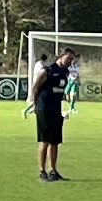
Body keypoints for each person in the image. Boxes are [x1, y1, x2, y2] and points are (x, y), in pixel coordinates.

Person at [31, 45, 73, 181]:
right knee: (45, 141)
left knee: (55, 141)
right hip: (44, 109)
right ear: (61, 56)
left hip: (56, 109)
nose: (70, 62)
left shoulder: (65, 72)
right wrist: (35, 104)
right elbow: (35, 86)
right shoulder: (48, 70)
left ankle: (53, 171)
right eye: (68, 58)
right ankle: (42, 172)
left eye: (71, 60)